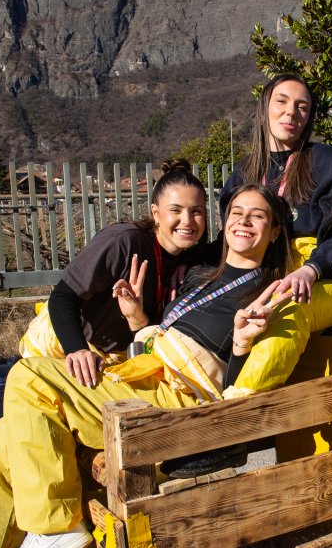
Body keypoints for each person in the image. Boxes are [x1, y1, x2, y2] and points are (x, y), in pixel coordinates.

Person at [0, 184, 292, 548]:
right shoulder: (200, 275)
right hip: (142, 379)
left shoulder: (268, 290)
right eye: (236, 212)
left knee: (30, 376)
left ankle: (55, 526)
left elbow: (224, 389)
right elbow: (157, 340)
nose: (244, 221)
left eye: (258, 216)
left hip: (173, 404)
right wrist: (139, 320)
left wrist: (244, 345)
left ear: (274, 232)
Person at [217, 73, 332, 399]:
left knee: (292, 307)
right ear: (264, 107)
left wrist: (311, 269)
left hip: (325, 278)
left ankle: (237, 405)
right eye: (281, 101)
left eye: (302, 107)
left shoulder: (324, 160)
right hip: (263, 277)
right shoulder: (243, 172)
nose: (291, 113)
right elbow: (227, 239)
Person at [19, 159, 211, 388]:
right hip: (66, 347)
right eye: (175, 210)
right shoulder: (123, 242)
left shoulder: (194, 260)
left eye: (196, 211)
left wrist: (137, 318)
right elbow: (62, 297)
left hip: (114, 359)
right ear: (155, 213)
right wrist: (77, 349)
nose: (187, 221)